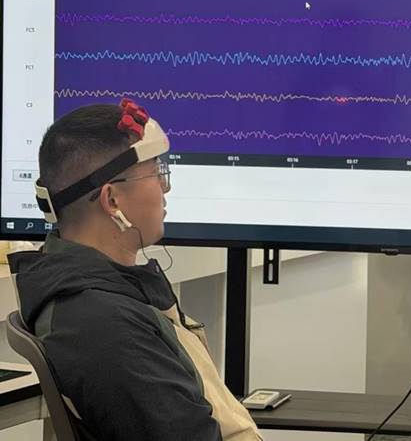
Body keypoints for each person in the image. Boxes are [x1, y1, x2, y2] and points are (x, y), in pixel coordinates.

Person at [9, 99, 262, 441]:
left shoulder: (99, 295)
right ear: (112, 200)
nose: (166, 187)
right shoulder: (106, 327)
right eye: (156, 173)